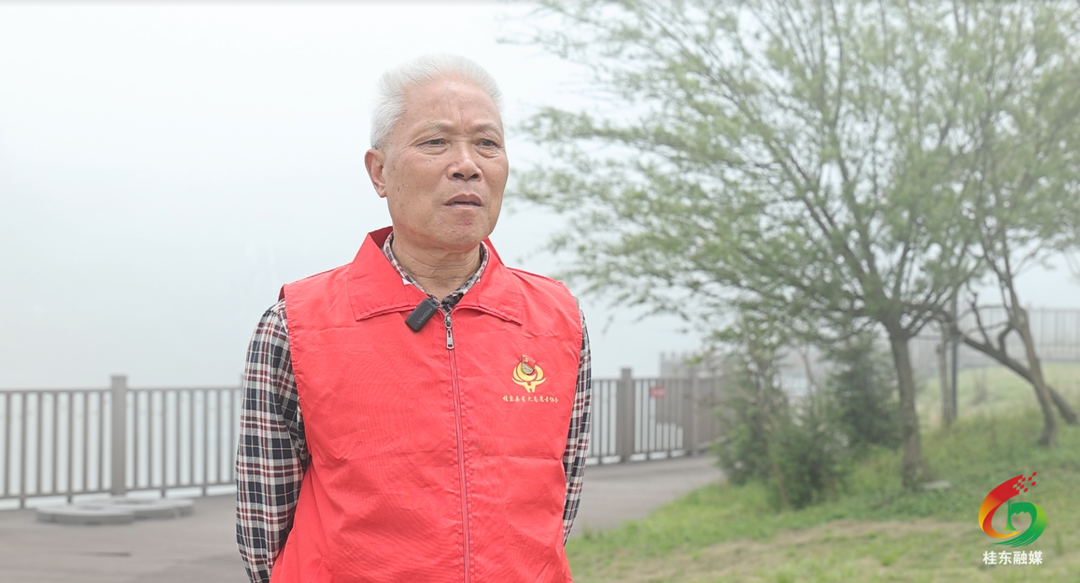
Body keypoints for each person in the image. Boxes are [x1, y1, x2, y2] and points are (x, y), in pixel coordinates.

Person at [235, 54, 592, 583]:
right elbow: (263, 527)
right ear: (380, 172)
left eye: (487, 143)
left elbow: (557, 505)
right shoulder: (296, 324)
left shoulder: (557, 319)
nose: (467, 165)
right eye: (435, 142)